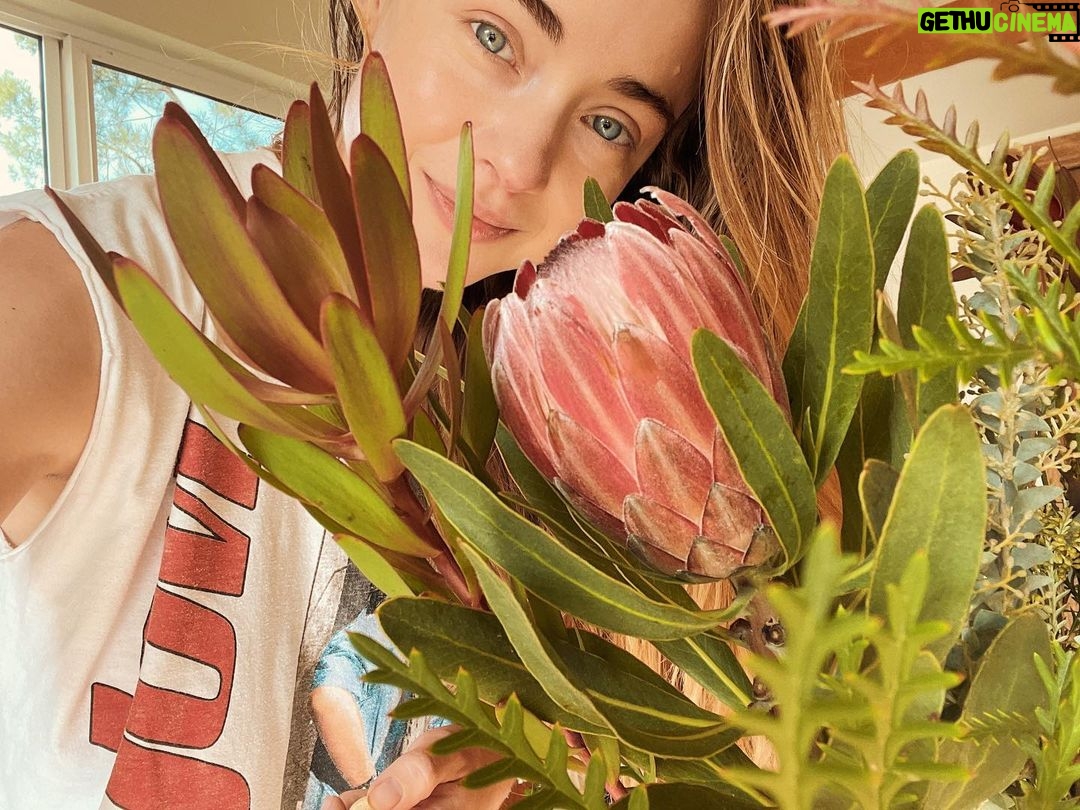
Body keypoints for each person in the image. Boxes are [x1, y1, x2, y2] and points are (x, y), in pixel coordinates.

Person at [0, 0, 848, 807]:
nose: (519, 163)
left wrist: (514, 760)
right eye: (493, 35)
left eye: (608, 124)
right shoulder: (59, 297)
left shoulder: (569, 402)